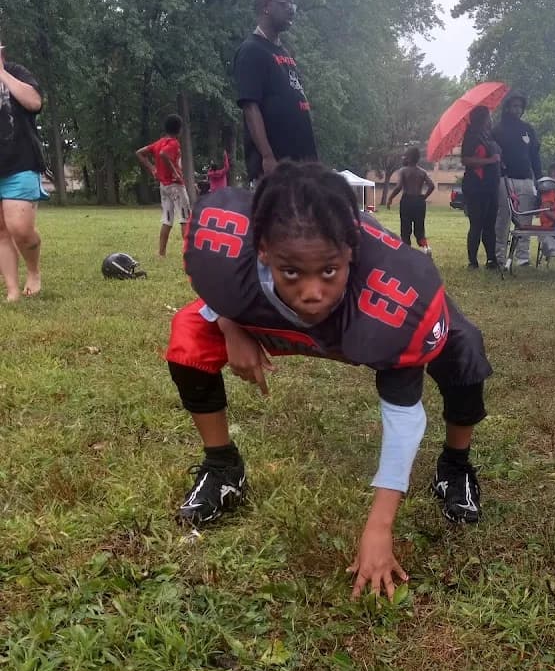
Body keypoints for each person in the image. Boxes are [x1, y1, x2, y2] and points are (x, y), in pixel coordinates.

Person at [165, 162, 491, 598]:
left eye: (328, 272)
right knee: (190, 331)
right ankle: (223, 467)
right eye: (293, 273)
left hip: (362, 316)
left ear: (351, 253)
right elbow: (218, 286)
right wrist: (228, 323)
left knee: (462, 343)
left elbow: (403, 415)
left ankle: (454, 465)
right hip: (276, 320)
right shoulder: (236, 257)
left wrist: (380, 525)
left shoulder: (392, 294)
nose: (313, 292)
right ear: (262, 251)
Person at [233, 0, 317, 182]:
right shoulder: (251, 51)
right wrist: (268, 157)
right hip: (276, 167)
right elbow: (251, 107)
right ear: (267, 6)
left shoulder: (283, 52)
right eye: (286, 4)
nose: (292, 11)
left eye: (293, 6)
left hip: (302, 165)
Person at [0, 44, 47, 302]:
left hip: (21, 162)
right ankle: (12, 290)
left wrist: (2, 73)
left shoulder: (16, 72)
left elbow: (35, 102)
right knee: (1, 231)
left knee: (20, 228)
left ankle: (33, 272)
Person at [492, 91, 542, 267]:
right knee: (503, 219)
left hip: (527, 179)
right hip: (506, 179)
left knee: (525, 220)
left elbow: (535, 156)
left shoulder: (528, 129)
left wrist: (540, 179)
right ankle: (500, 256)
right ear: (507, 107)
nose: (517, 109)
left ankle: (523, 257)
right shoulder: (497, 130)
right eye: (514, 106)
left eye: (520, 106)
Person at [135, 114, 191, 257]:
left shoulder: (159, 142)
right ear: (179, 129)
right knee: (185, 219)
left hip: (164, 187)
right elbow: (164, 154)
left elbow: (139, 153)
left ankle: (161, 254)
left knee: (167, 220)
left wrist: (152, 168)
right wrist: (175, 172)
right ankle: (189, 254)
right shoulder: (173, 143)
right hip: (176, 186)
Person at [460, 105, 501, 270]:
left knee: (490, 224)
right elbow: (466, 160)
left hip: (491, 185)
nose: (491, 119)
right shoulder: (471, 137)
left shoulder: (488, 136)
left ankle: (491, 259)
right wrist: (490, 161)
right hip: (476, 186)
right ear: (482, 118)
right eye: (488, 116)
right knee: (477, 223)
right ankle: (472, 260)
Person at [386, 147, 434, 255]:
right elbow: (431, 186)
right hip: (419, 202)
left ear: (409, 158)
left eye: (405, 156)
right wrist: (424, 197)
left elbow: (399, 187)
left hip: (407, 201)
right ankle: (426, 248)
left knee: (405, 229)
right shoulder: (422, 172)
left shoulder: (403, 171)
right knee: (420, 229)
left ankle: (406, 254)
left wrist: (390, 198)